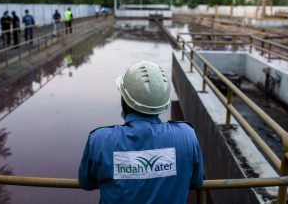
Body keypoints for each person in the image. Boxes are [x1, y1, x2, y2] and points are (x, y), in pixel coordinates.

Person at [78, 61, 203, 204]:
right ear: (163, 103)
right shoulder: (186, 136)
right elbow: (196, 182)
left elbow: (85, 183)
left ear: (124, 100)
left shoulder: (100, 140)